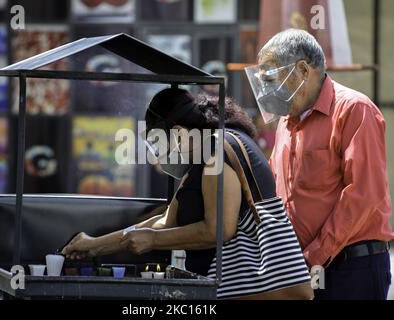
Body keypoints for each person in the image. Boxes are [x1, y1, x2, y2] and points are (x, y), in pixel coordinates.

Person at [61, 88, 276, 291]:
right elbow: (165, 221)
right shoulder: (201, 159)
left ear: (178, 133)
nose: (157, 155)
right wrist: (96, 245)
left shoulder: (217, 150)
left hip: (240, 286)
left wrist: (153, 240)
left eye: (158, 143)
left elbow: (219, 229)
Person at [250, 28, 394, 300]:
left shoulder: (354, 109)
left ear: (302, 70)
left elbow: (363, 195)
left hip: (351, 268)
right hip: (302, 267)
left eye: (271, 77)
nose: (266, 89)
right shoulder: (285, 121)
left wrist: (313, 255)